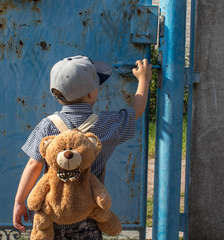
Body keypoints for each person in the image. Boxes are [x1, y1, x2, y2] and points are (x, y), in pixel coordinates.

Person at [13, 55, 152, 239]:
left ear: (56, 93)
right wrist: (144, 79)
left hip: (53, 213)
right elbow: (137, 110)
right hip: (89, 212)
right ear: (90, 94)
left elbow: (33, 164)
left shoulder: (47, 125)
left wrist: (19, 201)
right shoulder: (106, 124)